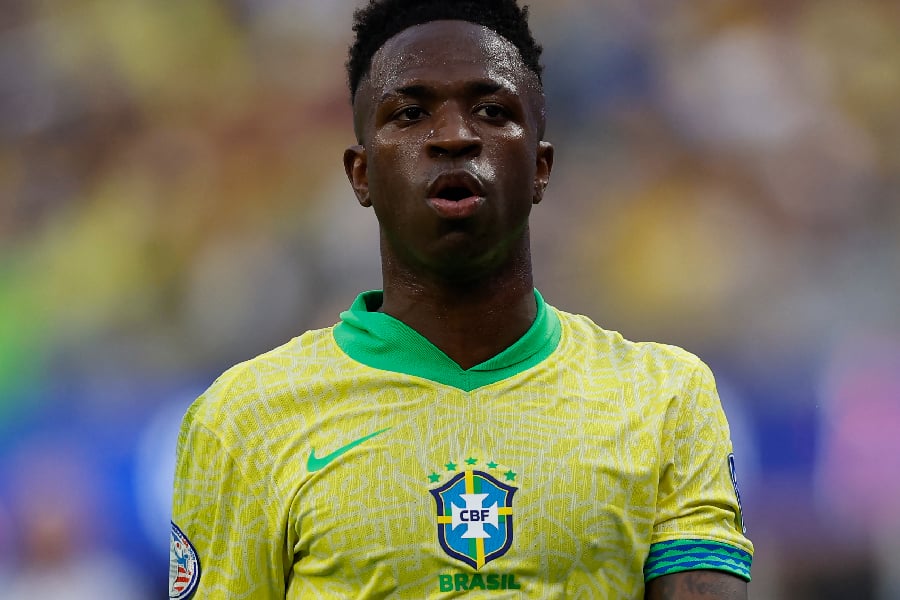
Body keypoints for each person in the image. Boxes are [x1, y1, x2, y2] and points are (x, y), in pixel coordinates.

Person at [169, 1, 753, 598]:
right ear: (361, 175)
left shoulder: (663, 398)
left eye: (492, 111)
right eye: (411, 113)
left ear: (541, 167)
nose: (453, 136)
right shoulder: (247, 419)